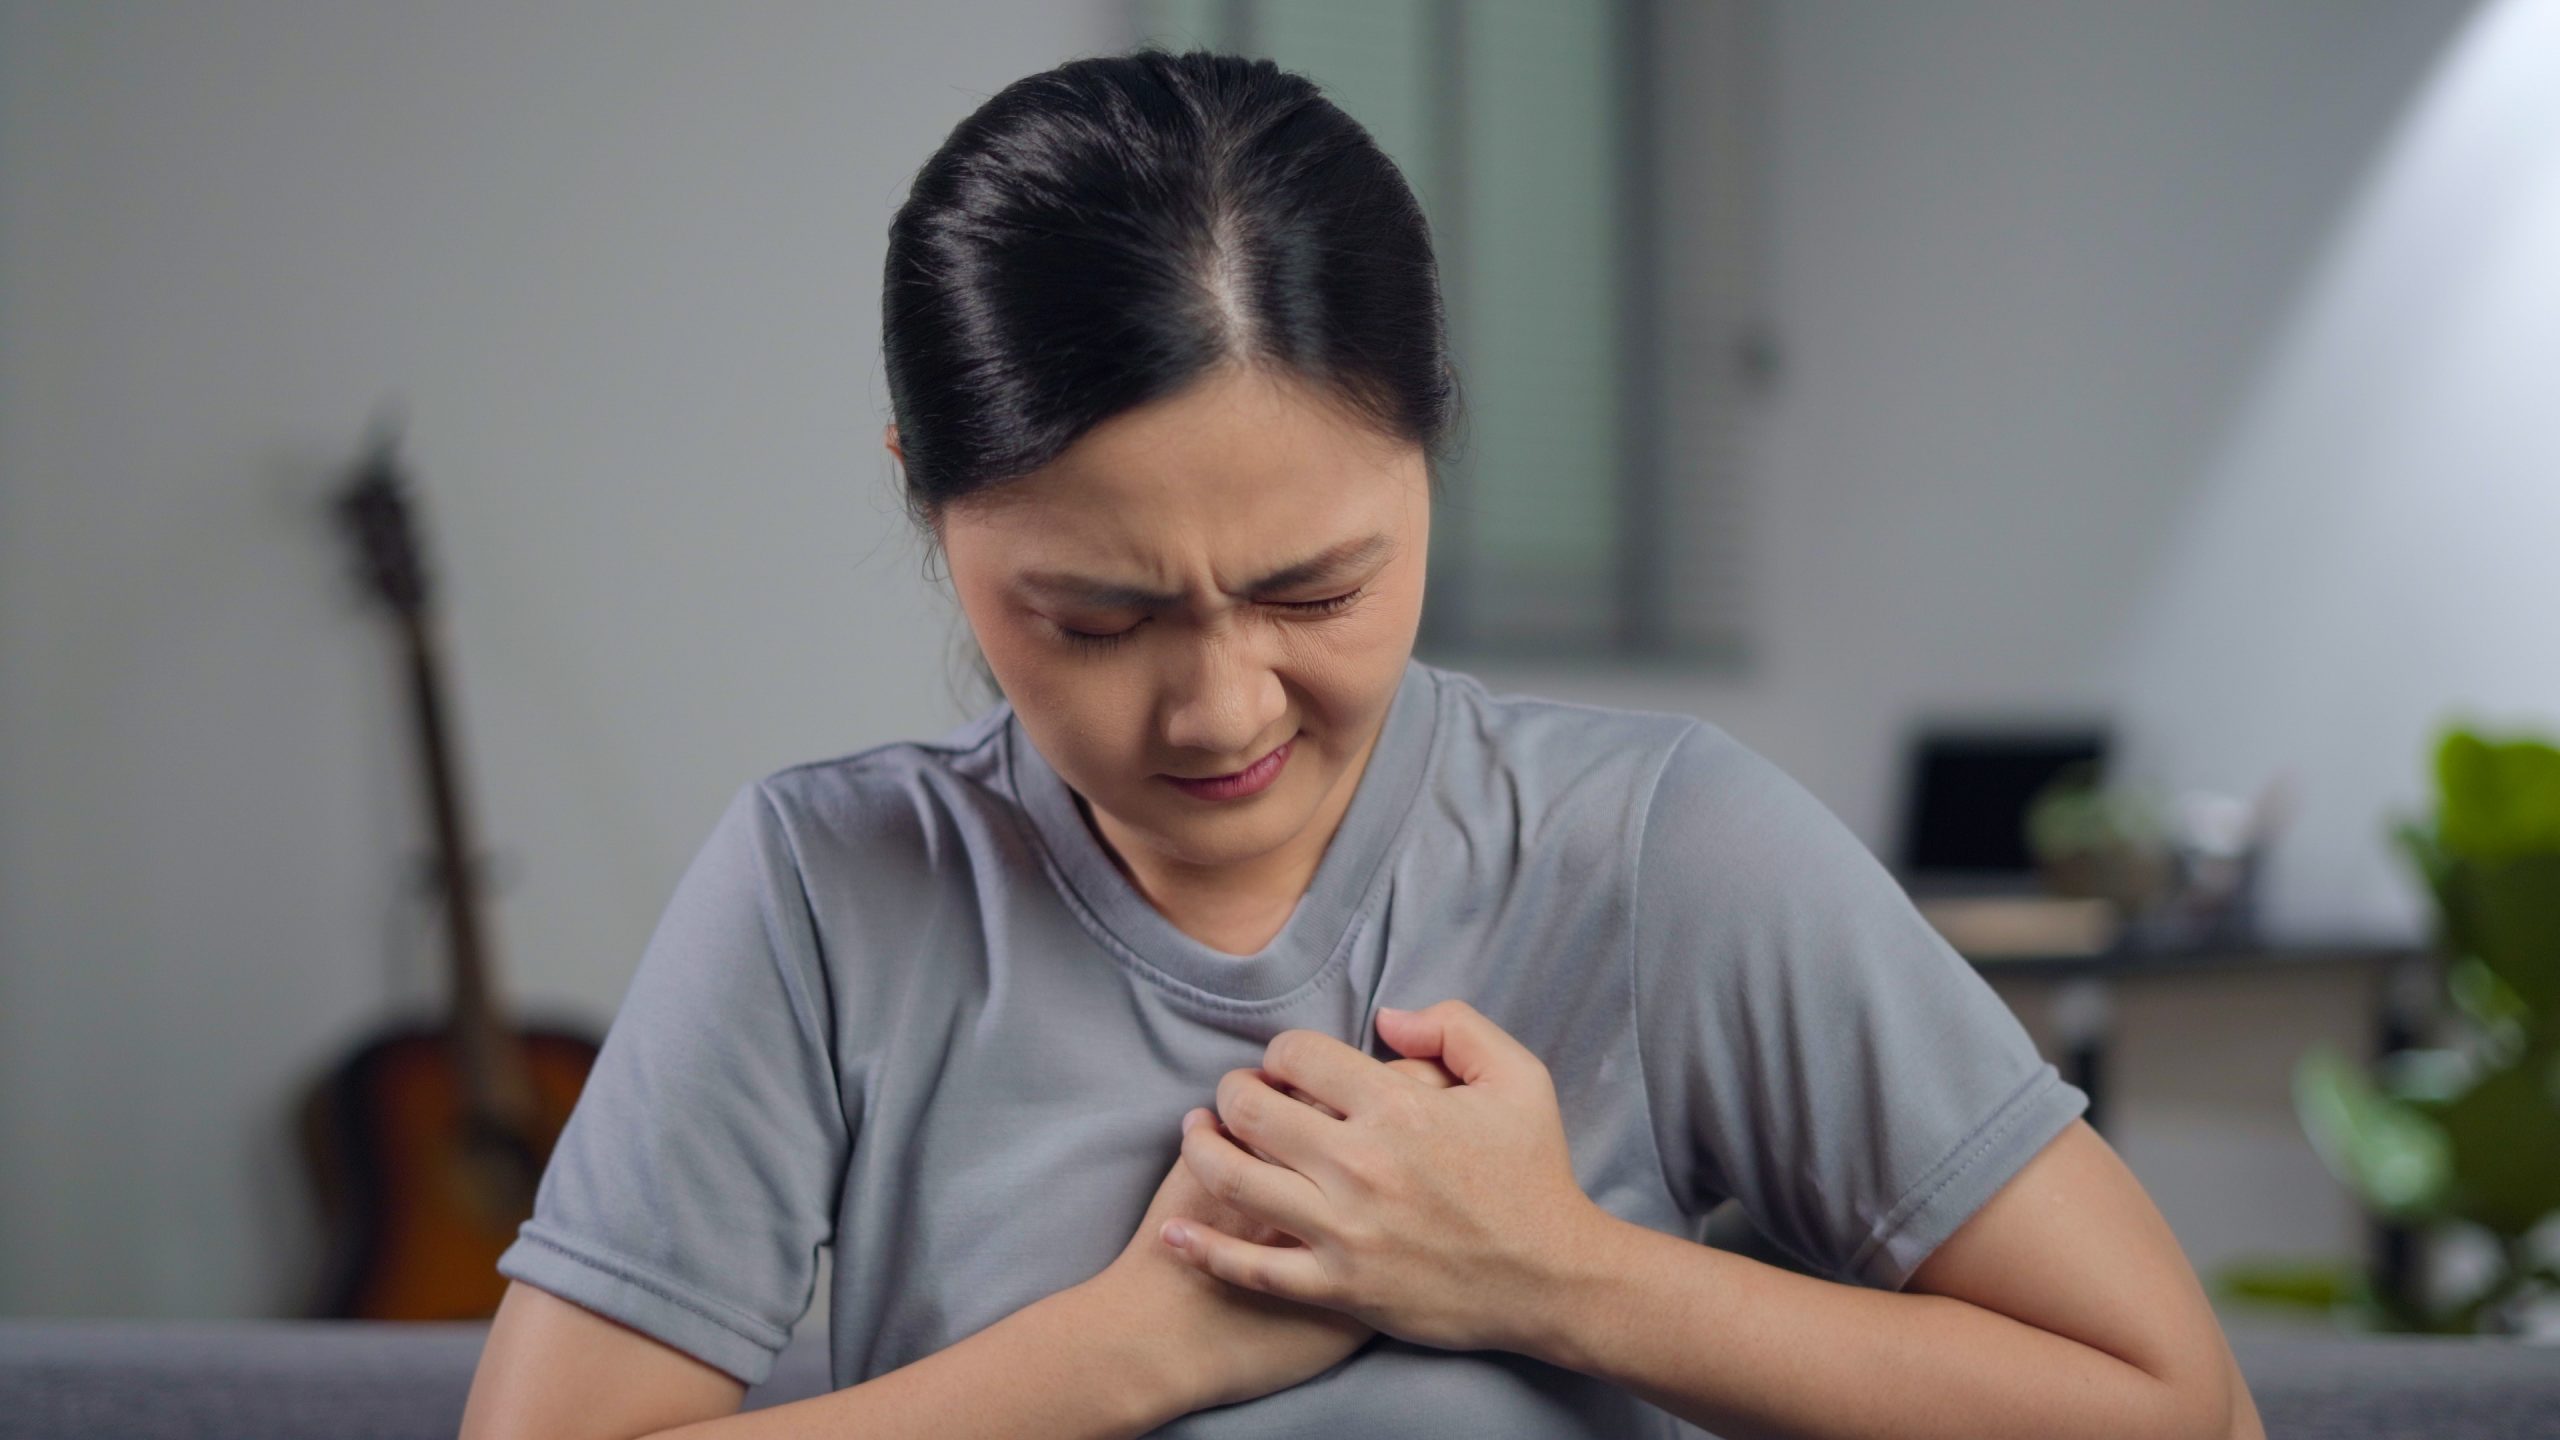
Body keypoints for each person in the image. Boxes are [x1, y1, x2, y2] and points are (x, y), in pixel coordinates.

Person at [461, 47, 2261, 1440]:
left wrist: (1555, 1278)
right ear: (931, 513)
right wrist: (1131, 1349)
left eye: (1315, 590)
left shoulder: (1660, 856)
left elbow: (2183, 1414)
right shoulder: (825, 895)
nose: (1221, 709)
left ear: (1433, 460)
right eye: (1096, 620)